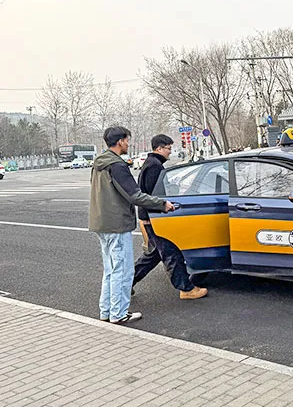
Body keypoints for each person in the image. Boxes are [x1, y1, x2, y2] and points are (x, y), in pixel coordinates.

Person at [89, 126, 175, 324]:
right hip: (117, 224)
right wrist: (162, 204)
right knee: (123, 271)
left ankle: (106, 311)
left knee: (111, 269)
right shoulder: (117, 166)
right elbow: (134, 195)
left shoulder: (99, 163)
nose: (129, 143)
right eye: (127, 140)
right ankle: (118, 314)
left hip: (102, 222)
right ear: (120, 142)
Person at [133, 134, 208, 300]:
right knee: (171, 253)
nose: (170, 152)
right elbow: (154, 194)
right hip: (155, 218)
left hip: (151, 217)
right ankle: (186, 288)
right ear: (159, 148)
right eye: (168, 149)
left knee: (153, 256)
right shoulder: (154, 166)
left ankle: (126, 284)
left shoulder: (152, 164)